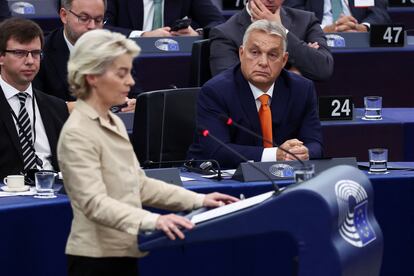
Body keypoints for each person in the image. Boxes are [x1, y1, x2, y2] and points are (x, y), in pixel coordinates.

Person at [57, 29, 238, 275]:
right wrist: (154, 221)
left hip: (124, 252)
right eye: (122, 73)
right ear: (92, 76)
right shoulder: (77, 132)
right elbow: (93, 203)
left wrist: (199, 200)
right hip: (95, 260)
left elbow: (139, 184)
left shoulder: (113, 121)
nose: (131, 82)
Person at [188, 20, 323, 169]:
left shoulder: (302, 89)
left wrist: (304, 152)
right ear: (241, 53)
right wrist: (275, 154)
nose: (263, 62)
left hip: (281, 177)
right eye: (255, 52)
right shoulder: (216, 91)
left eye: (272, 55)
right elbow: (217, 151)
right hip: (216, 179)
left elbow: (315, 143)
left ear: (284, 60)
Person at [33, 0, 138, 112]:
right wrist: (67, 107)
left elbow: (135, 94)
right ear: (64, 15)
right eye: (84, 18)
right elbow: (35, 104)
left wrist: (134, 104)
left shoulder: (116, 52)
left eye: (98, 20)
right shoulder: (39, 52)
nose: (92, 26)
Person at [0, 18, 69, 179]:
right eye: (20, 53)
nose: (30, 61)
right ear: (1, 57)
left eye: (36, 53)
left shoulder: (56, 108)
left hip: (56, 193)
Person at [209, 0, 333, 81]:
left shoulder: (306, 21)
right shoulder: (225, 33)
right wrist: (295, 73)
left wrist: (282, 31)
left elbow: (324, 69)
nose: (270, 0)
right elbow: (228, 88)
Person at [105, 0, 225, 37]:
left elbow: (219, 23)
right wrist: (143, 35)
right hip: (128, 59)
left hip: (174, 59)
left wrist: (197, 34)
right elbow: (101, 28)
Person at [283, 0, 391, 32]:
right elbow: (292, 14)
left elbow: (379, 13)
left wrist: (362, 28)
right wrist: (321, 30)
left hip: (356, 34)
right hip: (317, 41)